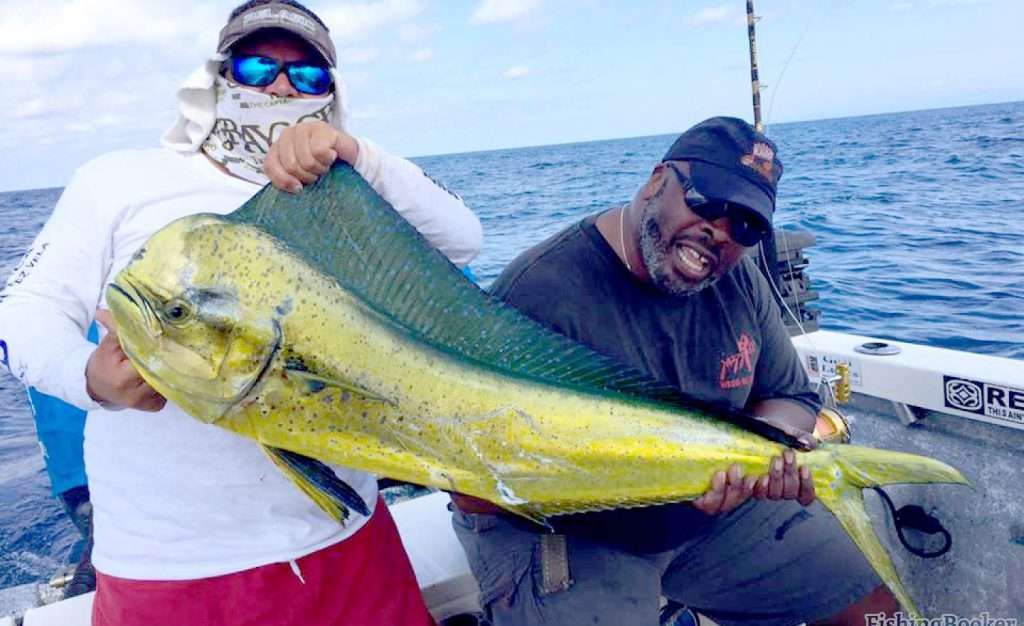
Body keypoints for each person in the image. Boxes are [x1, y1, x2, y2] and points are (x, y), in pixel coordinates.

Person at [0, 1, 481, 624]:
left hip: (347, 540)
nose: (283, 86)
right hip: (174, 571)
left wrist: (358, 156)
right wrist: (87, 377)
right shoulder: (119, 180)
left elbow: (463, 237)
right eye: (259, 67)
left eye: (309, 77)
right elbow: (25, 312)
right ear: (219, 77)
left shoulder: (339, 191)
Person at [450, 117, 899, 626]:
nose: (719, 232)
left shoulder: (740, 278)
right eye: (707, 201)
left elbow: (789, 394)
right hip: (569, 536)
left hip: (708, 515)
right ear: (657, 180)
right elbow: (472, 488)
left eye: (745, 226)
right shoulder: (539, 293)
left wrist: (767, 452)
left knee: (873, 609)